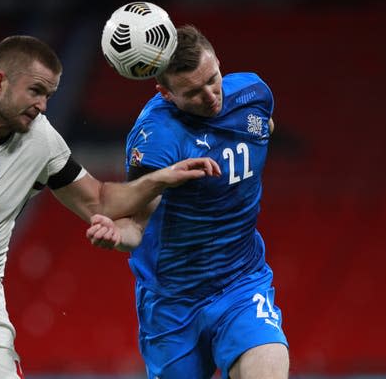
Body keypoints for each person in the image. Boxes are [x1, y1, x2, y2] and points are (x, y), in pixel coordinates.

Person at [0, 34, 220, 379]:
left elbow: (98, 201)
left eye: (49, 95)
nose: (43, 106)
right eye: (35, 91)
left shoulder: (40, 139)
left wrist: (160, 178)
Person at [86, 25, 289, 379]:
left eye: (213, 79)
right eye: (193, 92)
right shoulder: (156, 139)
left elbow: (263, 128)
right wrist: (117, 237)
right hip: (173, 302)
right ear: (165, 92)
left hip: (241, 281)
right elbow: (135, 226)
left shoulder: (253, 93)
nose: (211, 96)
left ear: (218, 63)